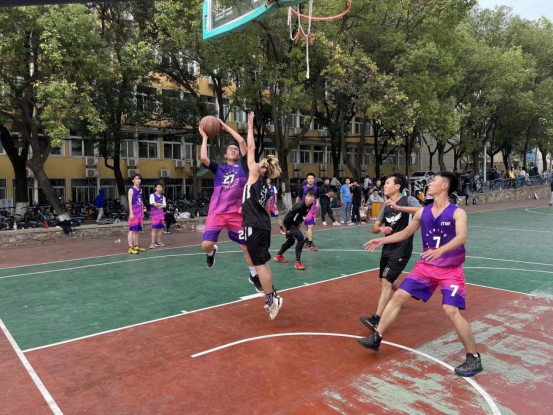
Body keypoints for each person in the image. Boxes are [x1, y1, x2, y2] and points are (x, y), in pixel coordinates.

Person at [359, 172, 483, 377]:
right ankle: (377, 337)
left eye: (434, 180)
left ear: (445, 186)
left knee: (451, 310)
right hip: (426, 267)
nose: (430, 183)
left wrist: (440, 251)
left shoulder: (457, 212)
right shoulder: (423, 212)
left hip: (450, 270)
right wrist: (382, 240)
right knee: (398, 296)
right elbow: (405, 233)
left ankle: (474, 357)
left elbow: (462, 237)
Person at [199, 118, 262, 292]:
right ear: (225, 155)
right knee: (206, 245)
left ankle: (254, 275)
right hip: (217, 212)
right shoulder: (219, 168)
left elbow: (242, 142)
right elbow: (203, 157)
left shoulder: (244, 167)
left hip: (237, 213)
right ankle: (211, 252)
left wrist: (226, 127)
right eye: (230, 149)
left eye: (235, 149)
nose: (234, 150)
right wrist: (204, 137)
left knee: (246, 246)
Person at [359, 173, 421, 332]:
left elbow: (422, 211)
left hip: (402, 248)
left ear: (397, 186)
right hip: (387, 247)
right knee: (384, 278)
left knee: (386, 281)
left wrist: (398, 207)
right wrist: (381, 228)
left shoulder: (408, 200)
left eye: (387, 183)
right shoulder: (386, 206)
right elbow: (374, 229)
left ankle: (377, 319)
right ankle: (403, 293)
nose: (384, 186)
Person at [242, 112, 283, 319]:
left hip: (253, 226)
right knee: (263, 263)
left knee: (259, 265)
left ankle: (271, 299)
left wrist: (250, 126)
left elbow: (250, 148)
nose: (256, 162)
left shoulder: (254, 174)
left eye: (260, 162)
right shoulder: (267, 187)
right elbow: (266, 209)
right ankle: (272, 295)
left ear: (264, 168)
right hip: (263, 227)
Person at [274, 190, 316, 270]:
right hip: (290, 224)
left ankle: (279, 255)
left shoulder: (310, 204)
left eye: (312, 197)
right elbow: (287, 217)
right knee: (301, 239)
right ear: (305, 197)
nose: (310, 198)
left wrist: (298, 223)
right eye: (308, 196)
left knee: (291, 241)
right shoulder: (299, 206)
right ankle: (297, 262)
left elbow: (302, 214)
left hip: (294, 224)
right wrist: (288, 228)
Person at [297, 173, 319, 251]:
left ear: (314, 180)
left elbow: (317, 198)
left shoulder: (316, 188)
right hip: (305, 210)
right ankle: (310, 243)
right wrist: (296, 208)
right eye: (309, 178)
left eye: (312, 178)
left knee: (309, 227)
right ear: (306, 179)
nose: (310, 180)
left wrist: (317, 204)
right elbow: (298, 198)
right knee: (310, 226)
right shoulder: (302, 188)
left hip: (313, 210)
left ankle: (306, 241)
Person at [127, 173, 146, 254]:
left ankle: (136, 246)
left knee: (136, 230)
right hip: (134, 212)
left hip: (139, 213)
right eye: (136, 179)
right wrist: (131, 213)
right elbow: (130, 202)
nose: (138, 180)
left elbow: (141, 201)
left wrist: (142, 211)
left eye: (139, 179)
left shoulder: (140, 190)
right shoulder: (131, 190)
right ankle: (130, 248)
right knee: (131, 230)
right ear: (133, 180)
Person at [149, 183, 167, 249]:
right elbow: (154, 204)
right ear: (155, 188)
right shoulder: (152, 195)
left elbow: (165, 205)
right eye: (158, 187)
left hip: (161, 215)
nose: (160, 188)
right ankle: (152, 242)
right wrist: (160, 205)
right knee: (154, 229)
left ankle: (158, 241)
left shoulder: (163, 197)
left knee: (161, 228)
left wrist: (158, 205)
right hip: (154, 215)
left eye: (161, 187)